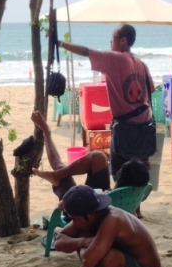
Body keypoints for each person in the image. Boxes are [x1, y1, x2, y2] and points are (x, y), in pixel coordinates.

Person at [59, 25, 156, 177]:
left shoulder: (115, 58)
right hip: (145, 125)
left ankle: (121, 199)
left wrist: (60, 44)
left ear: (123, 41)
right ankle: (135, 201)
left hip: (126, 129)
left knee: (120, 174)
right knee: (137, 175)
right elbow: (149, 92)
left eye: (112, 40)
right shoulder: (141, 63)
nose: (110, 44)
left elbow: (86, 52)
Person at [30, 110, 111, 197]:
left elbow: (62, 206)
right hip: (101, 199)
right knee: (99, 157)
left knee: (60, 168)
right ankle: (58, 174)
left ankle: (46, 133)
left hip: (81, 206)